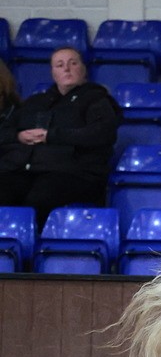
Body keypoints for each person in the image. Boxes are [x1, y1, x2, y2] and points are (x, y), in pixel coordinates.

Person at [0, 46, 120, 226]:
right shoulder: (35, 102)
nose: (67, 68)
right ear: (53, 72)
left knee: (39, 199)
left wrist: (51, 136)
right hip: (28, 169)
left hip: (75, 172)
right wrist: (19, 136)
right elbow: (6, 130)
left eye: (73, 63)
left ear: (83, 70)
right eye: (60, 64)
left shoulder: (98, 101)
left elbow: (100, 134)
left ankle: (31, 247)